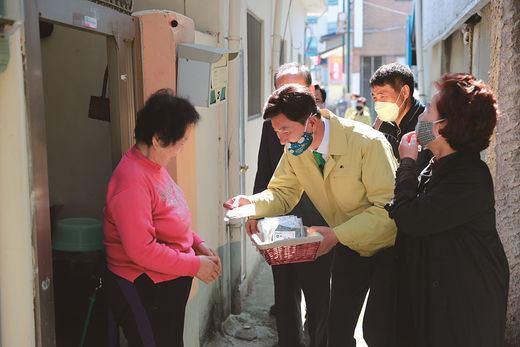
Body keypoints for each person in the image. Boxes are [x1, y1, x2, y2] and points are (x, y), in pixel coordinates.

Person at [225, 84, 398, 347]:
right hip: (349, 247)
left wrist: (337, 234)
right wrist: (251, 204)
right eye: (276, 132)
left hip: (389, 251)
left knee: (379, 333)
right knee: (336, 333)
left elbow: (387, 212)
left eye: (285, 130)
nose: (281, 140)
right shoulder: (295, 150)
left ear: (312, 123)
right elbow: (282, 193)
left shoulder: (368, 143)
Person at [386, 73, 509, 347]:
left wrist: (406, 164)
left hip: (466, 315)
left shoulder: (469, 176)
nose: (420, 117)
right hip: (442, 306)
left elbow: (412, 219)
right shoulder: (438, 165)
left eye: (429, 110)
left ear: (443, 126)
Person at [103, 89, 222, 347]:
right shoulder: (131, 181)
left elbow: (170, 216)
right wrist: (195, 265)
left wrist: (196, 243)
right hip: (143, 288)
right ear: (157, 139)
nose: (180, 149)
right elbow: (141, 250)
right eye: (180, 142)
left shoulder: (154, 166)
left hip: (166, 286)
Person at [254, 62, 331, 347]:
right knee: (285, 296)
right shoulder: (271, 127)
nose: (285, 96)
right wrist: (255, 211)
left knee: (319, 297)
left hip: (318, 224)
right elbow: (264, 171)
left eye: (294, 88)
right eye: (280, 90)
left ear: (311, 91)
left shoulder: (327, 127)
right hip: (281, 224)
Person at [370, 62, 432, 173]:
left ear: (404, 92)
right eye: (375, 98)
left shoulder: (427, 126)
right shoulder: (385, 128)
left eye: (383, 96)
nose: (378, 103)